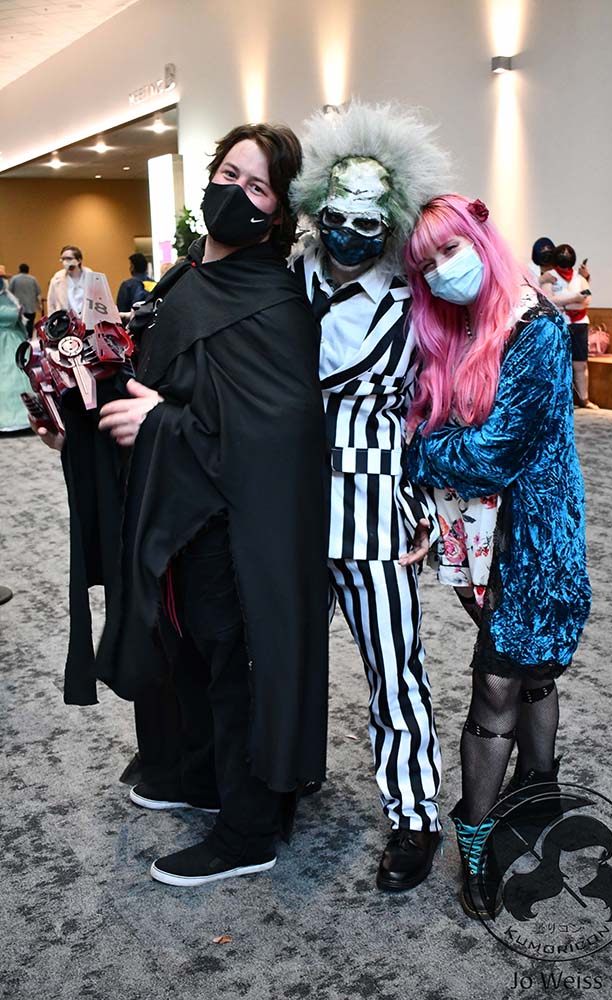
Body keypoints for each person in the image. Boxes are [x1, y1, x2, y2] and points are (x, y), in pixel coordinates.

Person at [95, 122, 329, 887]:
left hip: (238, 523)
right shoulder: (185, 276)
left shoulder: (275, 299)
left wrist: (159, 423)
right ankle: (201, 776)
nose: (235, 191)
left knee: (236, 664)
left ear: (278, 210)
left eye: (257, 186)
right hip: (181, 510)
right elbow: (164, 377)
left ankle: (247, 829)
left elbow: (280, 429)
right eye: (228, 172)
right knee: (187, 647)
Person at [404, 194, 591, 918]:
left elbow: (494, 453)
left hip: (533, 538)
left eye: (449, 251)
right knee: (529, 668)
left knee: (496, 684)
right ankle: (539, 788)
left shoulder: (536, 326)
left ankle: (475, 843)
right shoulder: (452, 324)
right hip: (477, 537)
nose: (441, 271)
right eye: (426, 264)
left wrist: (417, 452)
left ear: (481, 239)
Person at [289, 101, 449, 891]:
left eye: (367, 222)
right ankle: (277, 779)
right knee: (278, 657)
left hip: (376, 507)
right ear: (317, 210)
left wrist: (427, 500)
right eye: (336, 219)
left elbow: (439, 407)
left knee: (395, 667)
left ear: (389, 222)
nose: (349, 235)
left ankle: (414, 815)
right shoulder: (284, 277)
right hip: (284, 502)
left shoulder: (413, 300)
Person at [551, 242, 598, 409]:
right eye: (562, 254)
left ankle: (584, 399)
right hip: (558, 323)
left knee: (580, 363)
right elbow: (550, 300)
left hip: (579, 323)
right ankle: (559, 401)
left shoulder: (580, 278)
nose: (565, 256)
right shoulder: (549, 276)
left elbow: (586, 300)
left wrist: (565, 301)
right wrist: (575, 298)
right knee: (558, 363)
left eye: (568, 254)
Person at [0, 277, 30, 432]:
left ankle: (27, 416)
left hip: (14, 341)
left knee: (19, 374)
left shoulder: (10, 298)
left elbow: (19, 324)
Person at [46, 245, 91, 317]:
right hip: (64, 321)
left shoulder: (91, 277)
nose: (65, 262)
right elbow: (51, 303)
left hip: (86, 320)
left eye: (69, 258)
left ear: (79, 260)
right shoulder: (57, 279)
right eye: (63, 259)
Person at [9, 263, 41, 335]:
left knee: (19, 326)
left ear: (19, 270)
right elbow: (38, 294)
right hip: (31, 307)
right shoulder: (33, 279)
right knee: (30, 325)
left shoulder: (14, 279)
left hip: (18, 308)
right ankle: (29, 338)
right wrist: (39, 305)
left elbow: (9, 293)